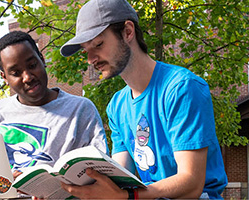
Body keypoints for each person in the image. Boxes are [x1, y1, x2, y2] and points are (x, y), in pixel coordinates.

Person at [58, 0, 228, 199]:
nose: (91, 59)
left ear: (128, 32)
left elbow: (191, 183)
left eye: (98, 44)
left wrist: (129, 196)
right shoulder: (117, 105)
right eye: (86, 50)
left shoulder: (181, 88)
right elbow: (118, 175)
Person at [0, 31, 107, 181]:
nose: (28, 77)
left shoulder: (80, 109)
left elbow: (101, 174)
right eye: (16, 73)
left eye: (32, 65)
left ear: (42, 60)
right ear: (5, 77)